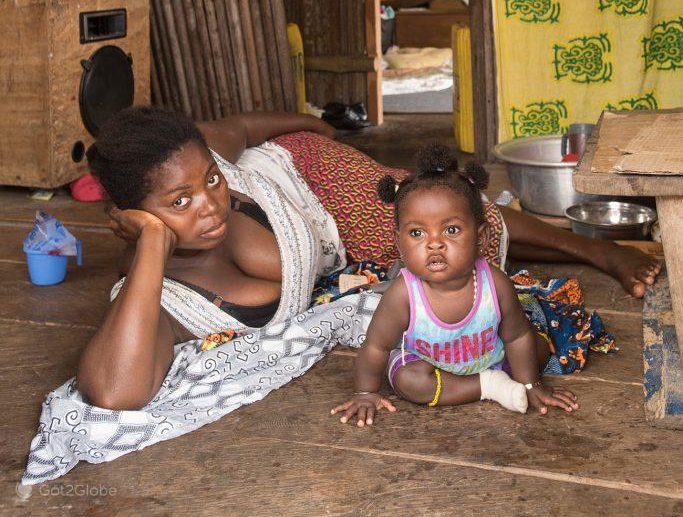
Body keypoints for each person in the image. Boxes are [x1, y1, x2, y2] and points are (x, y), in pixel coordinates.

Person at [78, 106, 660, 411]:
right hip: (336, 251)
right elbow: (114, 392)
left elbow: (239, 129)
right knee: (432, 252)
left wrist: (308, 126)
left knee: (447, 221)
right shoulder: (163, 300)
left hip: (310, 177)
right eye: (179, 203)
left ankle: (596, 250)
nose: (210, 204)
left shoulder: (201, 160)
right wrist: (152, 243)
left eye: (209, 179)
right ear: (131, 217)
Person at [331, 145, 579, 427]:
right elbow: (375, 347)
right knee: (407, 381)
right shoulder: (404, 294)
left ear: (482, 237)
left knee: (536, 346)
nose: (434, 243)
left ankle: (501, 381)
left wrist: (533, 384)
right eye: (417, 233)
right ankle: (488, 387)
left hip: (490, 357)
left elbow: (516, 337)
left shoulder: (494, 283)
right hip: (431, 369)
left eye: (451, 230)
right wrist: (365, 392)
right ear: (399, 244)